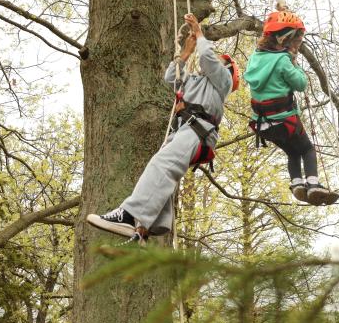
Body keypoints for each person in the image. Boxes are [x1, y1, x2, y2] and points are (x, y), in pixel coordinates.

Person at [86, 14, 239, 241]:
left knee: (163, 165)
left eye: (221, 60)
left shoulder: (222, 84)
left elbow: (207, 57)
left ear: (227, 70)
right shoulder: (196, 82)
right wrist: (185, 54)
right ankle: (149, 224)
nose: (216, 59)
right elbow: (171, 77)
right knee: (162, 168)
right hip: (186, 132)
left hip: (198, 132)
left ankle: (128, 214)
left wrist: (199, 33)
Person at [243, 11, 338, 205]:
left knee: (293, 152)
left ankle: (296, 184)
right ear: (285, 39)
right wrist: (296, 64)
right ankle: (313, 185)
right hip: (285, 121)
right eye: (294, 39)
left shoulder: (255, 57)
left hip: (263, 125)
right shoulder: (283, 61)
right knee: (307, 150)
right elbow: (300, 84)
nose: (296, 44)